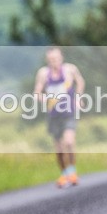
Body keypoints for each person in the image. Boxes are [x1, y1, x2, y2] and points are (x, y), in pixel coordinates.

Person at [33, 47, 85, 188]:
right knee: (59, 148)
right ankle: (64, 174)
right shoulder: (43, 73)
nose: (53, 62)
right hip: (53, 115)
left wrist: (78, 98)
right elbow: (37, 92)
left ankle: (72, 172)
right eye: (50, 59)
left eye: (55, 59)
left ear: (61, 58)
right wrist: (43, 99)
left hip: (68, 112)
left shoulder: (70, 70)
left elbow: (80, 82)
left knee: (69, 142)